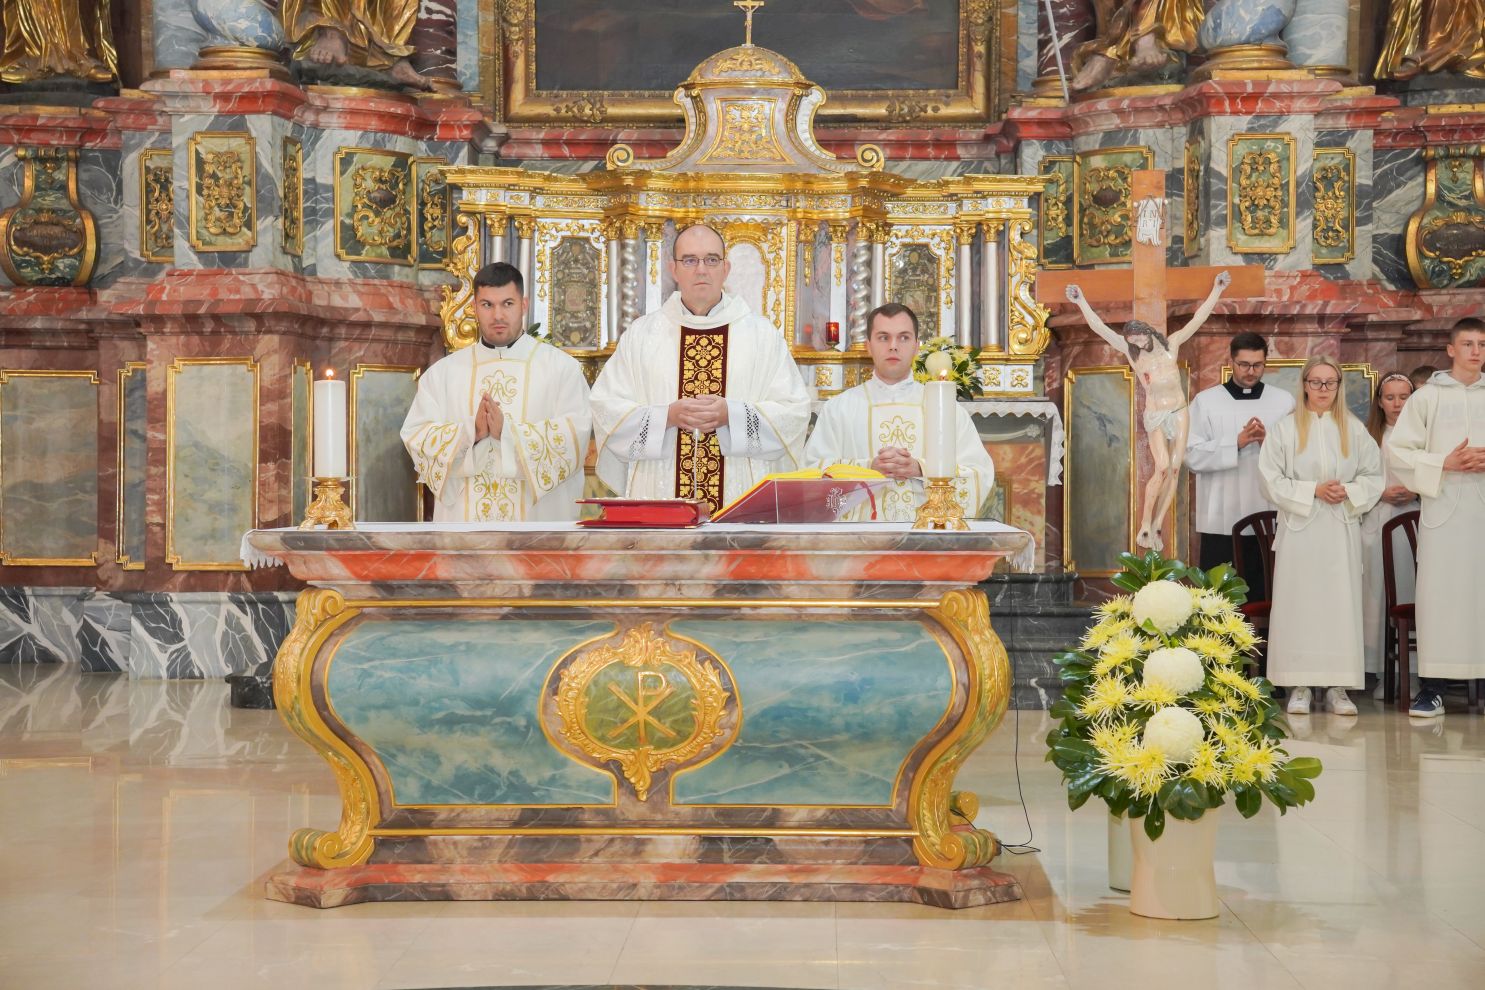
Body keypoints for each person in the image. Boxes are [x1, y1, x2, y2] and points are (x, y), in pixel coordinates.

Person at [589, 224, 810, 512]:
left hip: (739, 498)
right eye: (690, 260)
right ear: (673, 269)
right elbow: (606, 409)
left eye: (711, 260)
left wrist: (731, 415)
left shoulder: (761, 335)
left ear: (726, 268)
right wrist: (666, 417)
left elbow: (793, 412)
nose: (701, 269)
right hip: (660, 495)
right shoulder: (643, 335)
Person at [400, 262, 590, 521]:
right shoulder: (442, 374)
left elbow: (575, 440)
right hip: (465, 539)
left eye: (507, 304)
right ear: (474, 308)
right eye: (487, 305)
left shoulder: (561, 369)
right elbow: (417, 438)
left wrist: (508, 434)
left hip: (535, 538)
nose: (498, 315)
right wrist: (472, 432)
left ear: (524, 305)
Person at [1065, 270, 1231, 551]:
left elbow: (1198, 318)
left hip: (1178, 410)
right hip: (1155, 414)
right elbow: (1100, 329)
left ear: (1147, 332)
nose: (1138, 343)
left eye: (1139, 338)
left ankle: (1156, 527)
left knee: (1176, 468)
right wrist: (1081, 302)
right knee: (1162, 467)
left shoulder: (1172, 346)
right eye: (1133, 341)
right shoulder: (1133, 356)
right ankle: (1145, 523)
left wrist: (1217, 289)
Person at [1259, 356, 1384, 716]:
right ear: (1304, 385)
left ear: (1339, 387)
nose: (1323, 389)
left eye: (1331, 383)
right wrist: (1313, 490)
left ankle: (1337, 687)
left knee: (1339, 606)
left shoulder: (1354, 429)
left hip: (1339, 531)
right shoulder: (1284, 430)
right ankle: (1298, 685)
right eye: (1316, 382)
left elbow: (1373, 476)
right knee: (1299, 605)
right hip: (1300, 532)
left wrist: (1347, 491)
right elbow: (1270, 479)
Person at [804, 303, 995, 521]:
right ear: (868, 346)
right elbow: (810, 473)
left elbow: (980, 473)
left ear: (916, 346)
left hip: (927, 541)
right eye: (883, 337)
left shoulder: (946, 408)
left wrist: (921, 469)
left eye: (903, 338)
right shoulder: (839, 409)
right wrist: (868, 468)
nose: (893, 346)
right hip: (862, 544)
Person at [1388, 320, 1485, 718]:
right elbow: (1399, 451)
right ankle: (1432, 688)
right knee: (1441, 599)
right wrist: (1442, 462)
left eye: (1482, 344)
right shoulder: (1427, 397)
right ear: (1450, 349)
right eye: (1467, 343)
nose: (1476, 351)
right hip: (1444, 514)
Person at [1185, 331, 1295, 600]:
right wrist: (1235, 442)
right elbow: (1190, 454)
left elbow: (1300, 456)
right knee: (1220, 599)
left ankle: (1269, 642)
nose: (1251, 371)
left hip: (1268, 511)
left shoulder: (1284, 402)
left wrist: (1269, 442)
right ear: (1231, 361)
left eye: (1258, 365)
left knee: (1269, 591)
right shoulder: (1206, 402)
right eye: (1244, 364)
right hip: (1221, 513)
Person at [1360, 372, 1419, 697]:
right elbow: (1358, 478)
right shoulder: (1369, 436)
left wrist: (1416, 491)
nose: (1397, 404)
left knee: (1412, 592)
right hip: (1377, 519)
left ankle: (1415, 674)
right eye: (1390, 397)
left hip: (1414, 523)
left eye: (1404, 397)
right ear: (1380, 402)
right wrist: (1380, 492)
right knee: (1376, 597)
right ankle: (1381, 672)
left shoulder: (1424, 435)